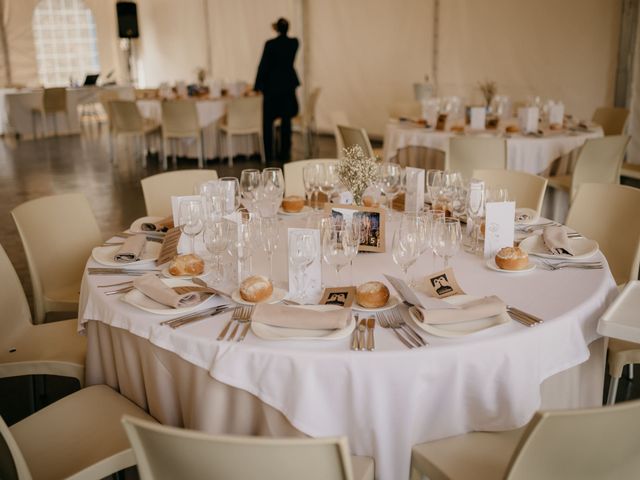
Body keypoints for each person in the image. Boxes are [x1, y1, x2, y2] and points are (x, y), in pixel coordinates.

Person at [254, 17, 300, 161]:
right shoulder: (294, 43)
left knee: (268, 123)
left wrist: (257, 86)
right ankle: (284, 153)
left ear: (276, 29)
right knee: (286, 122)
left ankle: (269, 154)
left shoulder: (270, 44)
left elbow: (263, 66)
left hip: (272, 89)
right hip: (287, 87)